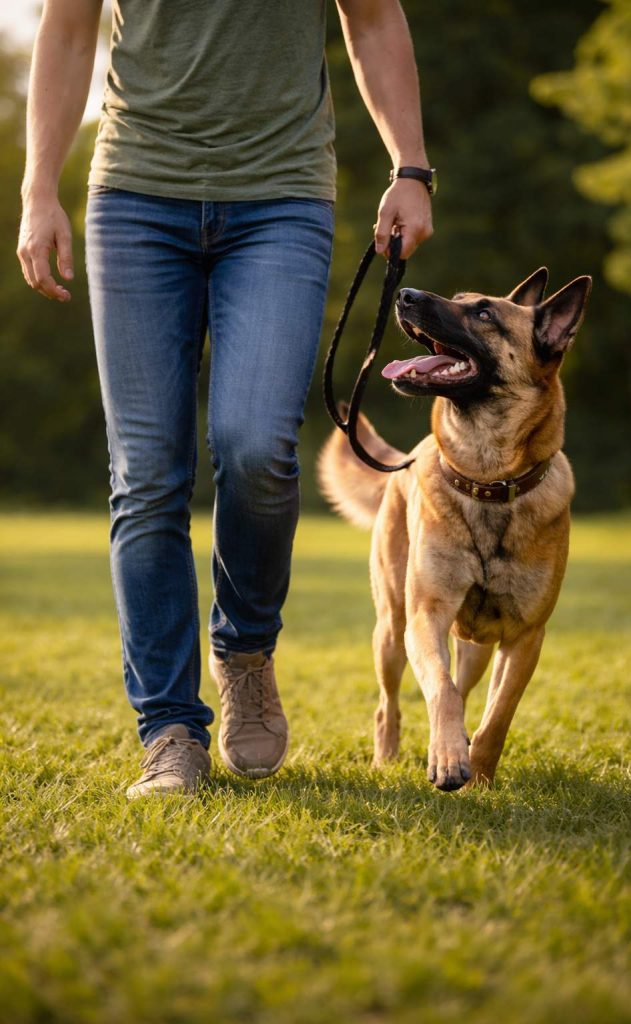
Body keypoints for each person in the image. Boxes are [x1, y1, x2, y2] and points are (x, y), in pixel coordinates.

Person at [17, 0, 434, 799]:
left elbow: (373, 19)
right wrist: (40, 190)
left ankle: (244, 653)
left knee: (256, 446)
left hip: (280, 197)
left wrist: (408, 167)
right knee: (146, 474)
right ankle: (169, 729)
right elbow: (66, 32)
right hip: (137, 195)